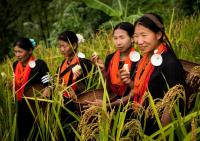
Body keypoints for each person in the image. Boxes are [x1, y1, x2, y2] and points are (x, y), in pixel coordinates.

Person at [132, 13, 186, 134]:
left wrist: (161, 135)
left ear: (158, 34)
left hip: (156, 130)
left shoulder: (169, 64)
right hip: (140, 122)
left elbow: (172, 106)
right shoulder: (144, 60)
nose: (139, 41)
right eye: (136, 36)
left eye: (144, 35)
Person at [88, 22, 138, 107]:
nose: (118, 42)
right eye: (115, 38)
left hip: (130, 107)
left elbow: (137, 90)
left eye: (122, 38)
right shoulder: (110, 58)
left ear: (132, 38)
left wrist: (109, 105)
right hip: (111, 101)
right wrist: (102, 70)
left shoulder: (138, 60)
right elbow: (106, 89)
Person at [57, 30, 94, 140]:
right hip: (64, 107)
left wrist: (77, 81)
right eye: (60, 46)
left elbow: (88, 90)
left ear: (74, 45)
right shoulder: (61, 65)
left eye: (64, 46)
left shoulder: (84, 63)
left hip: (79, 107)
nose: (62, 49)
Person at [13, 38, 51, 140]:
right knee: (23, 133)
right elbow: (15, 83)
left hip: (36, 107)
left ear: (30, 50)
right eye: (15, 52)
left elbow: (48, 82)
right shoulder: (15, 65)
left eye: (20, 52)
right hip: (21, 105)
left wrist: (48, 88)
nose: (17, 55)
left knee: (37, 133)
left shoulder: (39, 64)